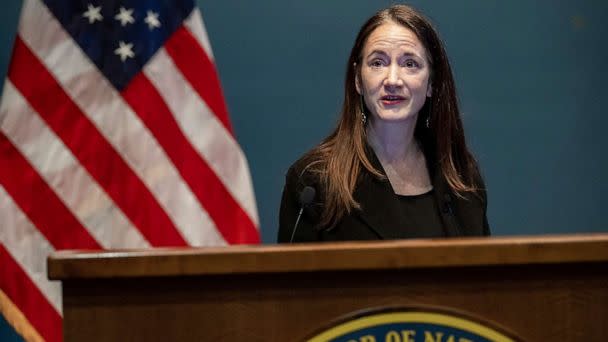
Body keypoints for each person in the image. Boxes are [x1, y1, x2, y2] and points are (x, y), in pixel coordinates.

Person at [278, 4, 490, 243]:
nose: (392, 80)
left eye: (410, 64)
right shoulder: (314, 182)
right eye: (378, 63)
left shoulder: (462, 178)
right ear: (358, 79)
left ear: (431, 83)